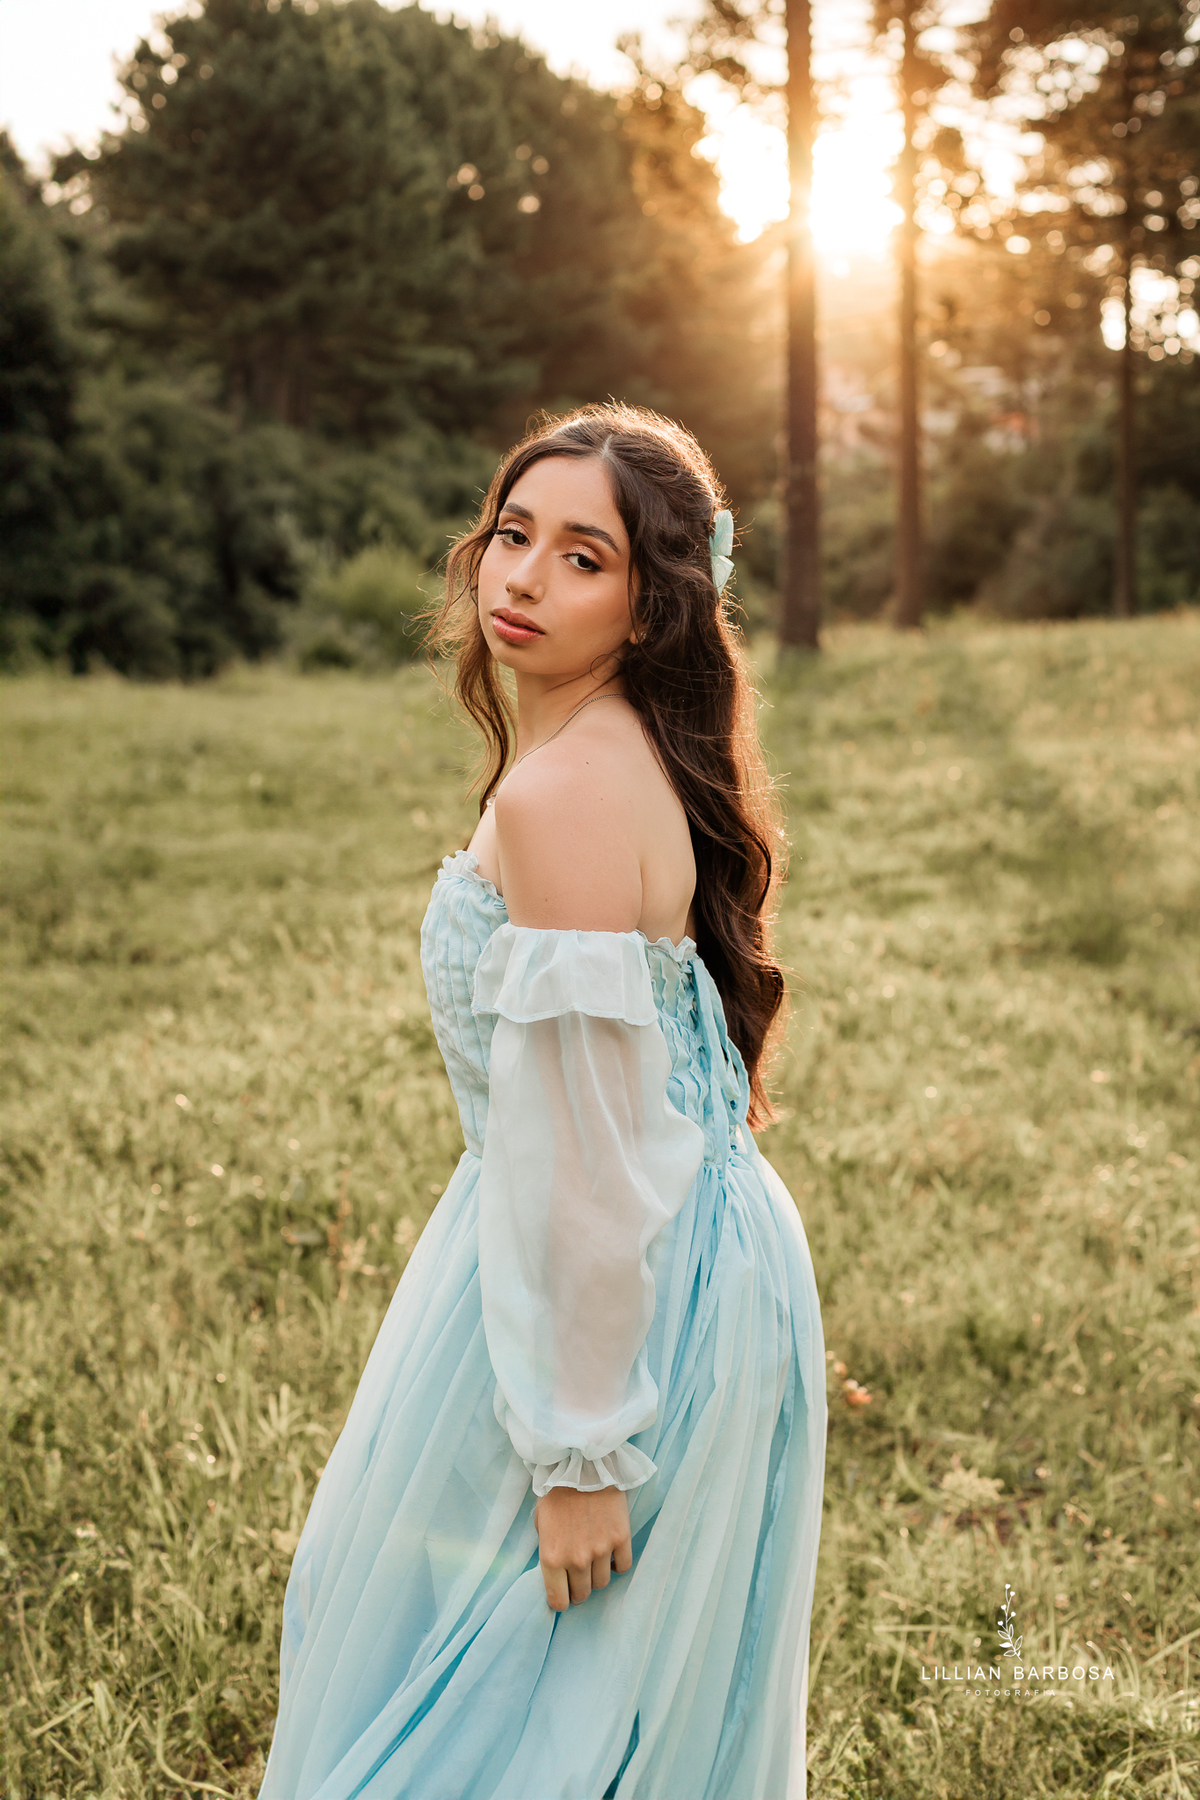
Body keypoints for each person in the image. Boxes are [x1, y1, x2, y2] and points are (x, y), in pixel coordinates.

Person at [259, 404, 827, 1800]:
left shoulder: (569, 789)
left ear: (650, 607)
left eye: (583, 558)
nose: (519, 579)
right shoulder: (626, 741)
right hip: (671, 1253)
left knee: (524, 1719)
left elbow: (584, 1149)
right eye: (514, 534)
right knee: (586, 1706)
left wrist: (578, 1452)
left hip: (619, 1295)